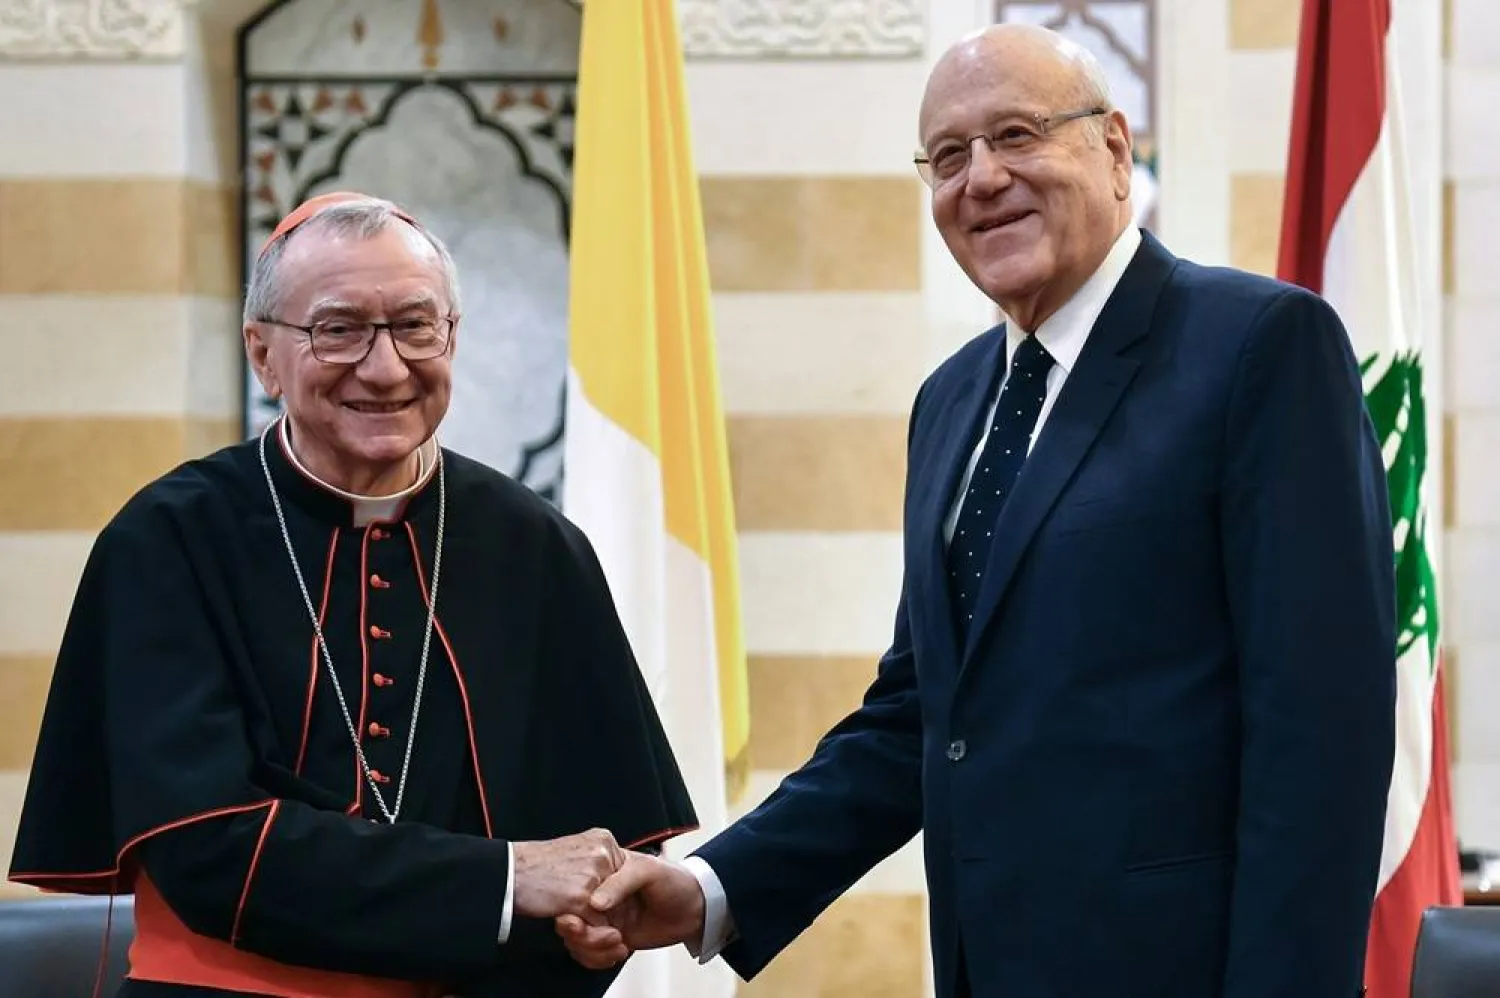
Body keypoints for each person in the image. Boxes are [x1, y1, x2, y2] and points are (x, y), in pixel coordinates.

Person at [555, 23, 1397, 998]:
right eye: (948, 157)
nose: (981, 178)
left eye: (1018, 135)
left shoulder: (1259, 346)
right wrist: (712, 883)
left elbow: (1319, 740)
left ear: (1116, 149)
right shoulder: (952, 401)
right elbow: (921, 717)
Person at [7, 191, 697, 998]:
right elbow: (206, 851)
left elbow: (600, 862)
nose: (385, 366)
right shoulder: (169, 539)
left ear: (453, 338)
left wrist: (585, 927)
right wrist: (502, 882)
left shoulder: (534, 545)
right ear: (262, 355)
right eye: (338, 329)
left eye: (415, 325)